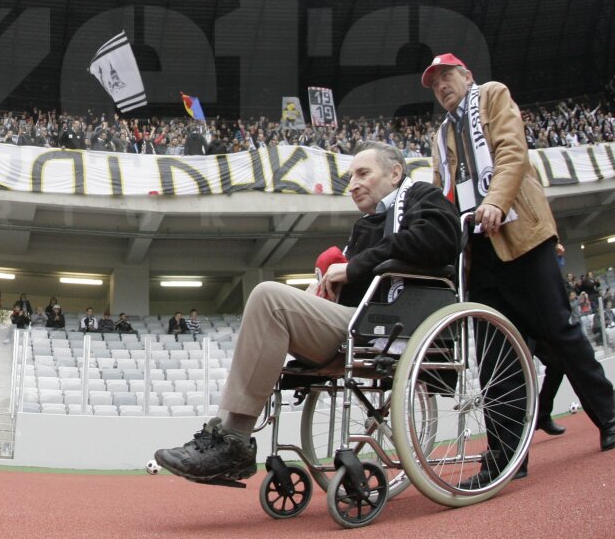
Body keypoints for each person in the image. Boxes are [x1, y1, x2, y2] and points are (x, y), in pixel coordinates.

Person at [155, 141, 460, 485]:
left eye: (363, 173)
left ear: (395, 173)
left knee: (268, 296)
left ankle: (233, 441)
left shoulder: (422, 196)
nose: (353, 183)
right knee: (275, 304)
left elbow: (439, 239)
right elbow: (358, 280)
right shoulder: (366, 226)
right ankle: (222, 432)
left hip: (398, 323)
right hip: (361, 322)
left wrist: (353, 267)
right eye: (350, 177)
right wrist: (327, 286)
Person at [423, 53, 615, 480]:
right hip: (476, 251)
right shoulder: (439, 138)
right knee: (495, 356)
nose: (441, 86)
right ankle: (508, 457)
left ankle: (610, 416)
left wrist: (495, 201)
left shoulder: (491, 96)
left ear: (467, 75)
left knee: (559, 331)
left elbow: (512, 151)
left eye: (447, 76)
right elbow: (442, 192)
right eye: (434, 83)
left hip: (519, 234)